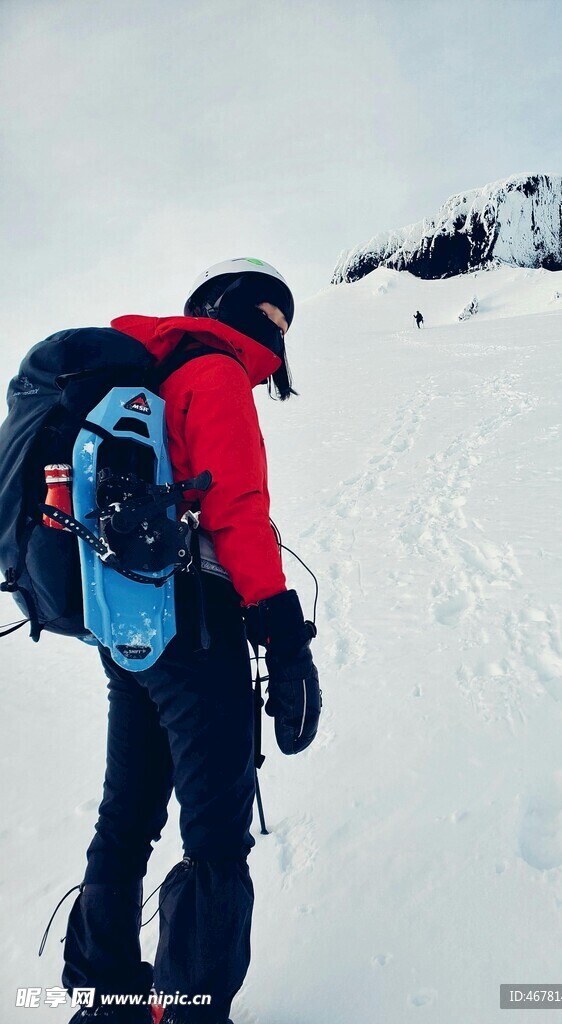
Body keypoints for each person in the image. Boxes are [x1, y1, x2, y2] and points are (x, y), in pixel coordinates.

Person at [61, 258, 321, 1024]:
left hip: (130, 623)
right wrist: (283, 633)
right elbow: (235, 509)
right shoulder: (215, 371)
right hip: (197, 625)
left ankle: (104, 999)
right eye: (270, 316)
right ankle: (192, 1011)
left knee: (127, 815)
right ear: (226, 306)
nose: (278, 334)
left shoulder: (156, 373)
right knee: (214, 837)